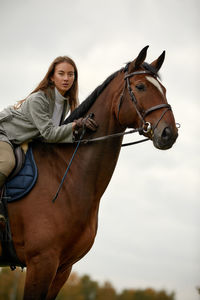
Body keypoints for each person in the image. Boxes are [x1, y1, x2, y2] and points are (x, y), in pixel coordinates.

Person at [0, 56, 98, 189]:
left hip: (25, 139)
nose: (66, 78)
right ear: (52, 77)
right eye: (61, 73)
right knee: (7, 162)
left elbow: (58, 132)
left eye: (70, 74)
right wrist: (75, 125)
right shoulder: (38, 99)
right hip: (5, 133)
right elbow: (49, 134)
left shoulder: (66, 102)